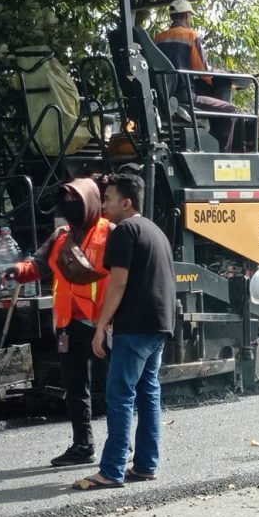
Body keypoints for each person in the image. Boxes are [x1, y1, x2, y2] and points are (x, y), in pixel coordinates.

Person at [73, 174, 175, 490]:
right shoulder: (155, 231)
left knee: (120, 395)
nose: (103, 205)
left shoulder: (125, 231)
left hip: (135, 326)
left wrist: (101, 326)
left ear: (126, 202)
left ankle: (112, 470)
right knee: (147, 394)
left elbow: (118, 284)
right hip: (160, 324)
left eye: (108, 199)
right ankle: (145, 465)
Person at [4, 178, 113, 467]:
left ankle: (120, 444)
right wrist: (18, 270)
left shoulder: (110, 233)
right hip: (67, 324)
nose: (69, 207)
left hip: (100, 325)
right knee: (76, 389)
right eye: (65, 201)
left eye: (75, 200)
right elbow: (38, 265)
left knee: (113, 389)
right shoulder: (61, 236)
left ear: (90, 200)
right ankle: (82, 445)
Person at [152, 0, 238, 152]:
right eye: (191, 16)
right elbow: (204, 74)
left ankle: (208, 143)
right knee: (229, 110)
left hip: (163, 98)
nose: (191, 19)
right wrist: (220, 80)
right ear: (186, 15)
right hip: (185, 98)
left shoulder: (157, 39)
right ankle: (222, 153)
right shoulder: (191, 36)